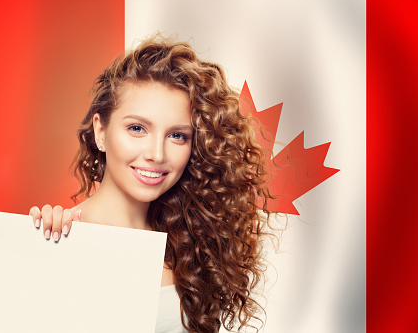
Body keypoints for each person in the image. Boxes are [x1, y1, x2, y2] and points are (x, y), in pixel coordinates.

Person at [29, 35, 274, 333]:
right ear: (101, 132)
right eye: (137, 128)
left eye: (177, 136)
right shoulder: (55, 240)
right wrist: (38, 248)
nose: (156, 154)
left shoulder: (189, 244)